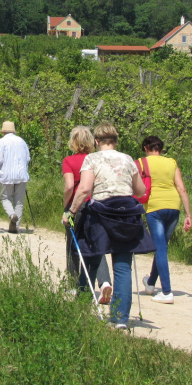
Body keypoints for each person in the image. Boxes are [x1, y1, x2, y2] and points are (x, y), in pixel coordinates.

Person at [62, 122, 151, 329]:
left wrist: (71, 212)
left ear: (97, 141)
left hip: (101, 212)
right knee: (122, 266)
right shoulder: (128, 159)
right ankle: (120, 318)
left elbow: (84, 190)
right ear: (116, 141)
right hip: (126, 213)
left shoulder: (92, 159)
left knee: (91, 259)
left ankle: (83, 308)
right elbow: (139, 191)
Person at [137, 136, 192, 304]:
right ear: (160, 149)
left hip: (155, 207)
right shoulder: (171, 162)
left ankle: (167, 291)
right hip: (174, 207)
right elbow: (181, 188)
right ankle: (151, 283)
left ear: (146, 148)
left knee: (160, 248)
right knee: (161, 245)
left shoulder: (140, 163)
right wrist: (188, 214)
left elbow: (135, 186)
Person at [63, 126, 112, 305]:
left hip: (78, 204)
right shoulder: (96, 159)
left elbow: (69, 186)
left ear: (73, 141)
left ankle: (74, 284)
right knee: (97, 245)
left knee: (73, 246)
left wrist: (66, 207)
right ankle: (105, 281)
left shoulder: (69, 160)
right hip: (98, 203)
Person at [0, 120, 30, 234]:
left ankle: (11, 214)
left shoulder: (2, 141)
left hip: (7, 173)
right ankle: (16, 226)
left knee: (5, 197)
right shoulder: (22, 141)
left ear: (4, 131)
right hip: (21, 173)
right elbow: (28, 158)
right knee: (19, 201)